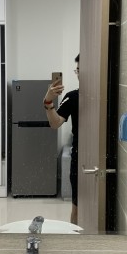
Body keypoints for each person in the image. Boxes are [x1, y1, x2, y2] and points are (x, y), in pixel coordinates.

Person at [43, 55, 79, 224]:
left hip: (103, 160)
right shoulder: (72, 97)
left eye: (81, 70)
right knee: (77, 207)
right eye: (77, 70)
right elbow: (55, 123)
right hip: (79, 159)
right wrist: (48, 100)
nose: (79, 73)